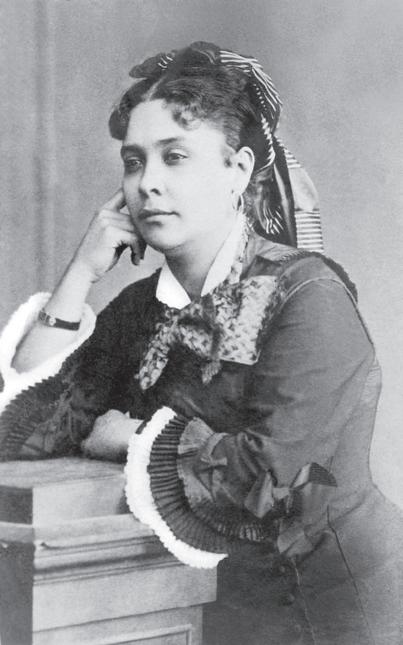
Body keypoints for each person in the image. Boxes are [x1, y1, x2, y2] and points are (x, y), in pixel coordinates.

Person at [0, 42, 401, 645]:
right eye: (133, 162)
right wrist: (80, 272)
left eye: (175, 157)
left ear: (238, 170)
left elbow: (271, 479)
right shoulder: (138, 309)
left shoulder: (308, 296)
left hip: (336, 608)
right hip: (210, 607)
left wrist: (131, 436)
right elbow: (23, 435)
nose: (148, 184)